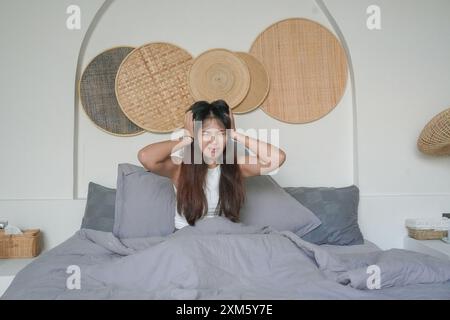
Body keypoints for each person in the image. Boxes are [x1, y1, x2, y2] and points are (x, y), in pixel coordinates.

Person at [137, 99, 286, 231]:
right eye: (206, 134)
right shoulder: (181, 167)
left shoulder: (234, 165)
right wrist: (187, 138)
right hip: (187, 239)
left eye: (220, 133)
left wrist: (235, 134)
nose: (213, 141)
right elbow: (146, 157)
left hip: (223, 236)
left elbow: (276, 158)